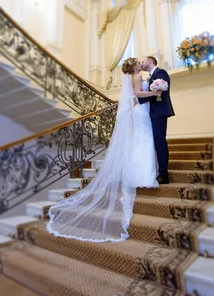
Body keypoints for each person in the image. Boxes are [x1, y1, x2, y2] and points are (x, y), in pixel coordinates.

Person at [47, 57, 161, 242]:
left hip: (140, 111)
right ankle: (145, 175)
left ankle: (140, 173)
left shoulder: (136, 77)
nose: (141, 63)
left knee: (141, 139)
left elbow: (133, 96)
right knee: (144, 139)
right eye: (138, 62)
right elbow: (138, 94)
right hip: (142, 110)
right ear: (134, 67)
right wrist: (155, 93)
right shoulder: (138, 77)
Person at [138, 56, 175, 184]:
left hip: (159, 112)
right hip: (153, 112)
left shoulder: (161, 73)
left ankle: (164, 174)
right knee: (156, 142)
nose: (141, 64)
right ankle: (159, 170)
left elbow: (158, 92)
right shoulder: (150, 76)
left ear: (149, 61)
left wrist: (139, 100)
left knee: (160, 142)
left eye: (143, 61)